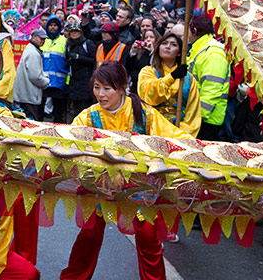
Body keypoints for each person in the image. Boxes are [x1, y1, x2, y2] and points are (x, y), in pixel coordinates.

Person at [61, 61, 191, 280]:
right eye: (96, 87)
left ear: (122, 87)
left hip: (139, 189)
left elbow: (176, 139)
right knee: (89, 236)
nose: (100, 94)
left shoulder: (145, 114)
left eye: (107, 88)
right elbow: (68, 141)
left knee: (149, 237)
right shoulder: (88, 117)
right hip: (101, 188)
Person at [138, 33, 201, 137]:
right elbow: (149, 96)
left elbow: (193, 110)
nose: (168, 46)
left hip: (178, 131)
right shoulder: (148, 72)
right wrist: (172, 77)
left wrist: (183, 134)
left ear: (179, 53)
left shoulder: (188, 78)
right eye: (164, 43)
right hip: (153, 129)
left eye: (173, 45)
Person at [187, 15, 229, 140]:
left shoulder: (213, 53)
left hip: (206, 119)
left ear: (194, 31)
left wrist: (199, 116)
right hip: (198, 115)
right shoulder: (201, 48)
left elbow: (212, 89)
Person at [13, 28, 50, 121]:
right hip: (29, 96)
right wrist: (46, 81)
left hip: (25, 95)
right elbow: (35, 76)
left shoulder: (31, 49)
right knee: (30, 121)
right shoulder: (33, 53)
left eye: (44, 39)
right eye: (40, 38)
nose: (42, 41)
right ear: (33, 37)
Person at [40, 15, 68, 123]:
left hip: (58, 81)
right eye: (50, 25)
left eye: (55, 25)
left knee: (58, 112)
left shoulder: (64, 41)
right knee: (40, 110)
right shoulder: (43, 40)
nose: (53, 27)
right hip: (43, 80)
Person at [65, 23, 96, 117]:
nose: (74, 33)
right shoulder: (69, 45)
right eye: (72, 31)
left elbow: (93, 60)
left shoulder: (87, 43)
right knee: (74, 108)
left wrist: (79, 58)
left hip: (85, 79)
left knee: (85, 107)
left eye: (76, 31)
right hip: (73, 80)